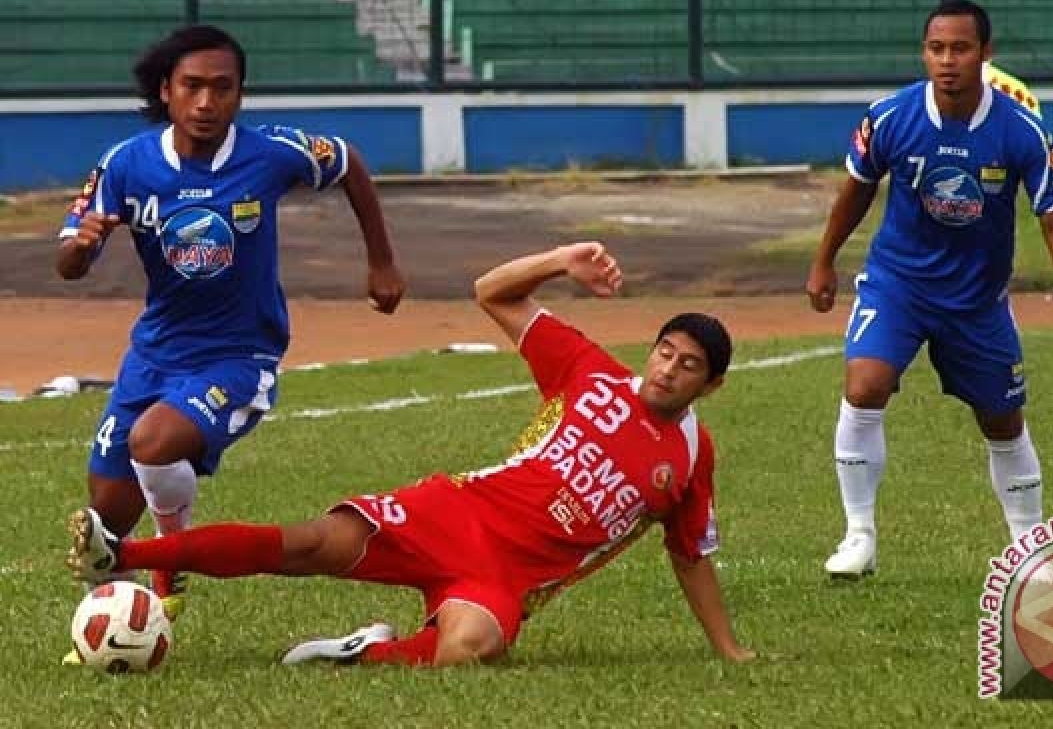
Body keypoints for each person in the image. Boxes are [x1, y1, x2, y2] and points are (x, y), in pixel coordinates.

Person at [68, 242, 754, 668]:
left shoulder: (692, 456)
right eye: (664, 351)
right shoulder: (591, 371)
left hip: (505, 577)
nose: (666, 370)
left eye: (687, 365)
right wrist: (560, 260)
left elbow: (690, 555)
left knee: (470, 648)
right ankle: (124, 558)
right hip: (455, 511)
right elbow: (492, 291)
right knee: (308, 544)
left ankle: (364, 653)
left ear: (711, 384)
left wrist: (728, 650)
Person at [56, 24, 407, 652]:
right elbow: (67, 260)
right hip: (155, 352)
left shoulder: (270, 154)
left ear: (240, 96)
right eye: (192, 86)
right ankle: (119, 628)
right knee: (105, 518)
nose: (206, 102)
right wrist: (82, 249)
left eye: (223, 88)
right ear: (166, 91)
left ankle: (171, 561)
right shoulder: (125, 165)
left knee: (154, 442)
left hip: (241, 353)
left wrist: (382, 261)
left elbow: (349, 161)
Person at [804, 0, 1053, 579]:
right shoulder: (891, 116)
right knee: (864, 384)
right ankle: (859, 536)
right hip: (899, 284)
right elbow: (856, 189)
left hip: (977, 300)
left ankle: (1028, 550)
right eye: (936, 48)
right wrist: (824, 261)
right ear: (924, 52)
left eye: (961, 49)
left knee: (1002, 419)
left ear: (985, 54)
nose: (947, 61)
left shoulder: (1022, 130)